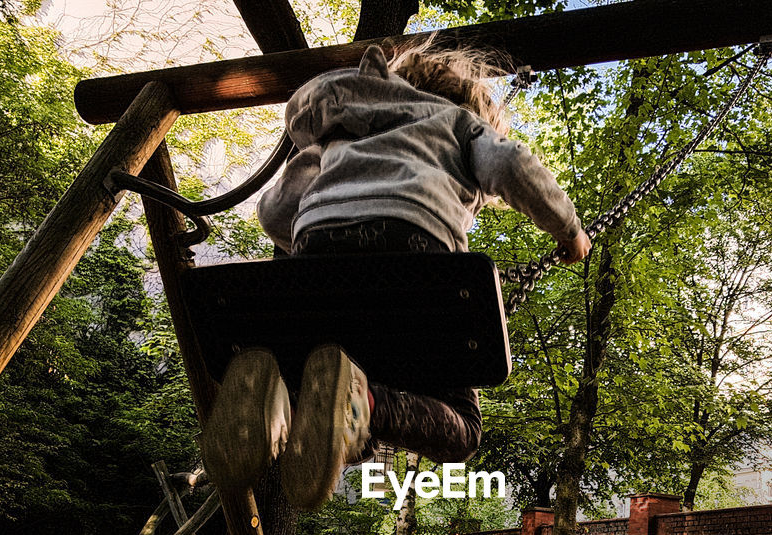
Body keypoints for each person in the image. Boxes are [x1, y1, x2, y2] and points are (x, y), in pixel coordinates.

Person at [200, 39, 591, 510]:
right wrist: (570, 231)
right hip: (414, 257)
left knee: (341, 407)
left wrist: (310, 244)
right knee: (462, 430)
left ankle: (275, 404)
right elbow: (509, 164)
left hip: (317, 257)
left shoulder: (342, 130)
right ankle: (363, 404)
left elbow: (274, 210)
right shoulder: (458, 124)